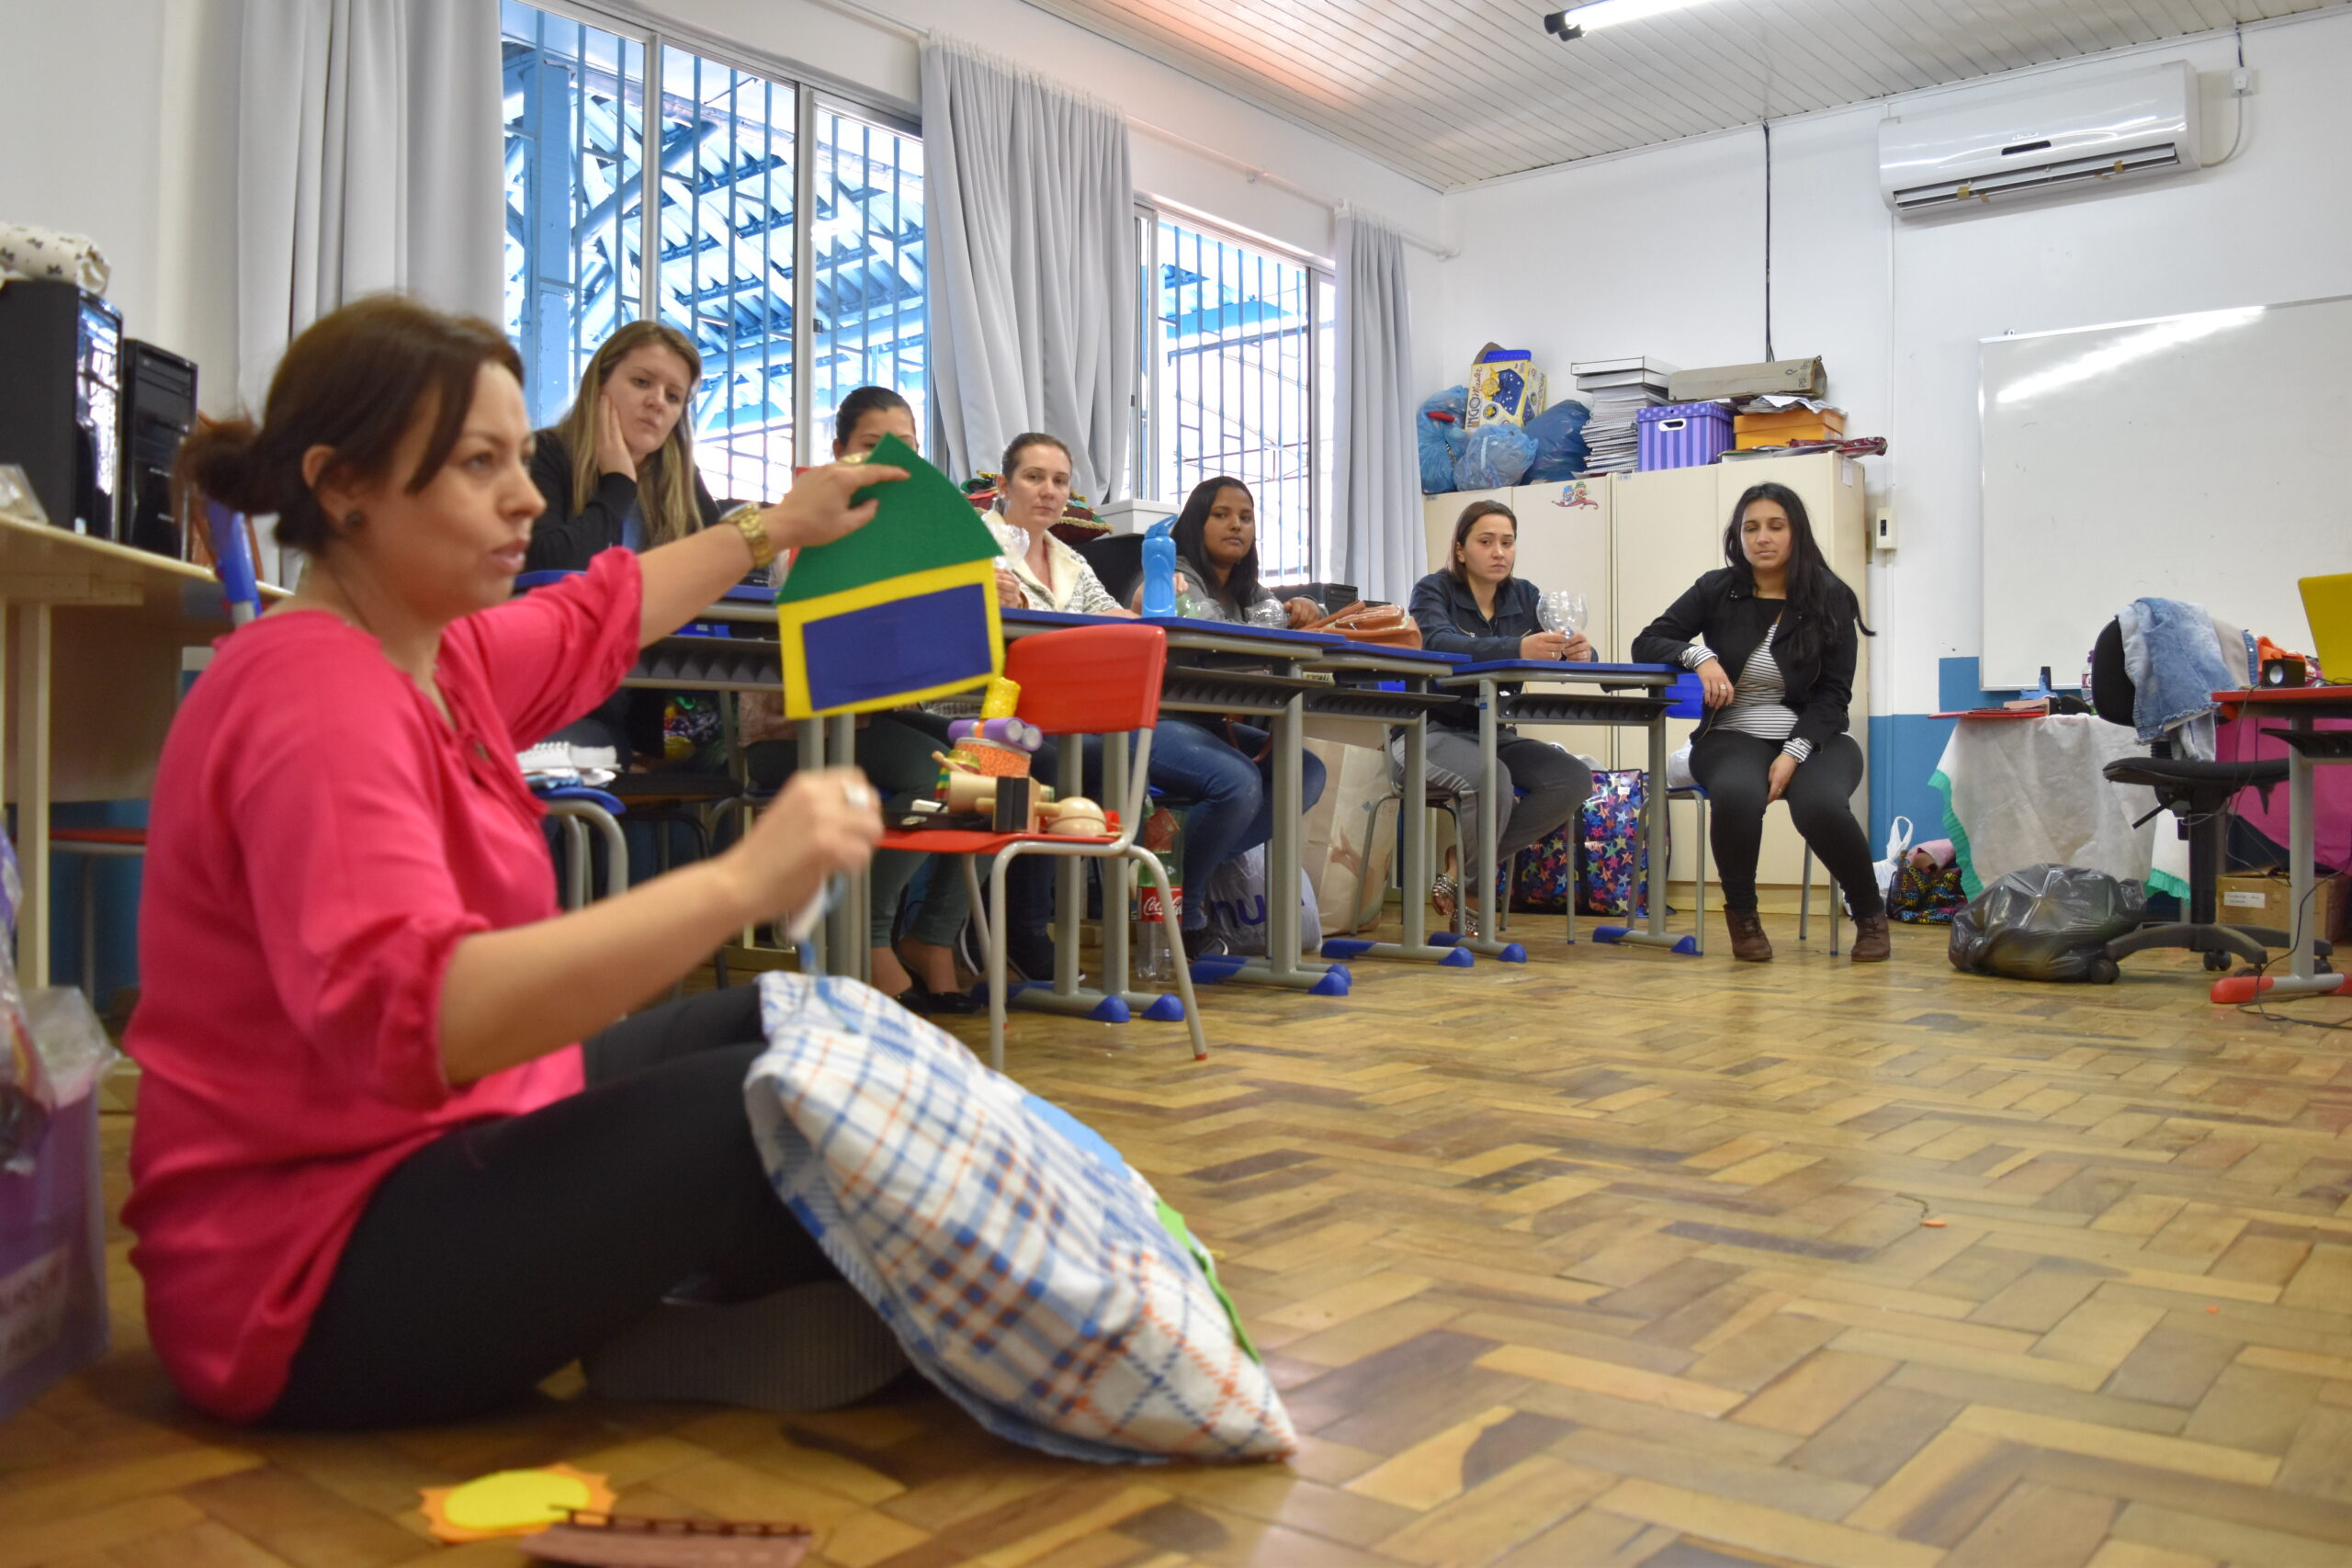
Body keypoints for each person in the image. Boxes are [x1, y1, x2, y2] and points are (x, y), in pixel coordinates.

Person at [125, 296, 902, 1429]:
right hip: (308, 1279)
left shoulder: (436, 657)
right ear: (344, 485)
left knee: (791, 1026)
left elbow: (605, 611)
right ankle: (843, 1316)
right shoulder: (315, 697)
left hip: (442, 1148)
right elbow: (418, 1023)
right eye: (478, 463)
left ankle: (718, 1310)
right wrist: (737, 885)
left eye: (515, 458)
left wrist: (778, 525)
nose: (528, 496)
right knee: (770, 1105)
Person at [741, 387, 1007, 1008]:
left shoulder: (922, 530)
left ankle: (932, 938)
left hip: (876, 726)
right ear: (838, 453)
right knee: (927, 772)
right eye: (872, 446)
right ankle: (865, 934)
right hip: (791, 735)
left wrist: (980, 588)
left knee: (998, 773)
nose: (894, 463)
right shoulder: (807, 525)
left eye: (908, 449)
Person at [1633, 480, 1886, 964]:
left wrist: (1794, 752)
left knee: (1820, 806)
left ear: (1797, 533)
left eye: (1775, 526)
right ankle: (1744, 918)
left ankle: (1870, 914)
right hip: (1731, 733)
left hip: (1817, 736)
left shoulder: (1832, 597)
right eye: (1751, 528)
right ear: (1738, 535)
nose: (1762, 538)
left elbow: (1834, 695)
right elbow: (1648, 641)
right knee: (1736, 792)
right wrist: (1698, 654)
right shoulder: (1716, 588)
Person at [522, 321, 724, 763]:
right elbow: (546, 561)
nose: (657, 402)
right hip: (563, 695)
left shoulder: (680, 485)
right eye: (641, 382)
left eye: (674, 396)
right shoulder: (547, 456)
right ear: (601, 385)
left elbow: (727, 568)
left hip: (659, 700)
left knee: (716, 754)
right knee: (555, 759)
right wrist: (616, 485)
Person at [1405, 500, 1597, 931]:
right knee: (1494, 778)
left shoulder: (1525, 596)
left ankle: (1464, 860)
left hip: (1494, 731)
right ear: (1460, 550)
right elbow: (1438, 644)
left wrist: (1582, 652)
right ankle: (1473, 892)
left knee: (1572, 779)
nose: (1499, 553)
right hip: (1429, 731)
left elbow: (1559, 641)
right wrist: (1517, 648)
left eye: (1507, 543)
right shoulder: (1432, 590)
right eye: (1486, 542)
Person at [1143, 476, 1322, 627]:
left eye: (1245, 518)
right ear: (1196, 524)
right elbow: (1212, 631)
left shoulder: (1245, 586)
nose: (1236, 525)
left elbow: (1281, 618)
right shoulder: (1174, 578)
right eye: (1221, 515)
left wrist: (1309, 607)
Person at [987, 434, 1133, 616]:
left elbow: (1109, 614)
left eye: (1060, 481)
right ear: (1004, 487)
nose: (1049, 492)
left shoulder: (1073, 561)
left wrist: (1139, 608)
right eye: (1034, 477)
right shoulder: (972, 548)